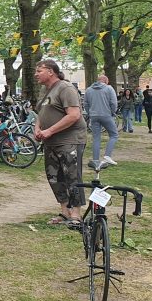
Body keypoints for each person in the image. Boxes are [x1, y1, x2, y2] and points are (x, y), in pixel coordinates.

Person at [33, 60, 88, 227]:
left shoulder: (65, 88)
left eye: (39, 71)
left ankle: (76, 214)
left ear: (51, 72)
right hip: (50, 141)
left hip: (70, 140)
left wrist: (50, 130)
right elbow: (41, 112)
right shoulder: (44, 90)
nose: (36, 74)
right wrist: (37, 128)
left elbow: (74, 115)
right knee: (54, 177)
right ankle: (65, 211)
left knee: (72, 176)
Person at [83, 74, 119, 166]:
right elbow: (114, 103)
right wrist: (112, 112)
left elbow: (85, 103)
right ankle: (107, 155)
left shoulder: (88, 90)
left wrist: (90, 113)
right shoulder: (109, 88)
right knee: (114, 135)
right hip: (106, 115)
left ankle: (95, 159)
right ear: (106, 81)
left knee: (96, 138)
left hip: (93, 116)